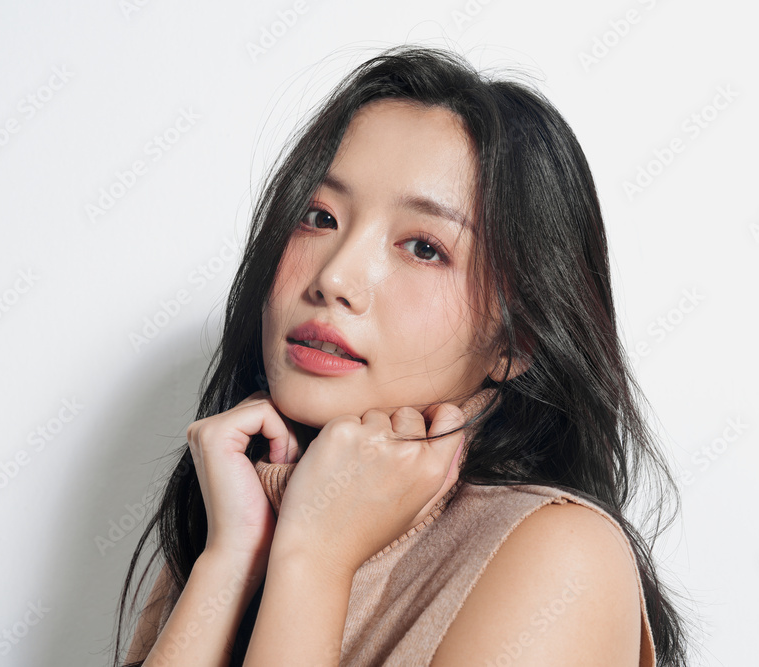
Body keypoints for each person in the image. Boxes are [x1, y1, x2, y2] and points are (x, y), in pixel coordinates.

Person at [111, 44, 690, 666]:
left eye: (423, 248)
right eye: (319, 216)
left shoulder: (562, 555)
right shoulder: (238, 506)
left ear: (515, 341)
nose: (334, 278)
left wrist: (314, 559)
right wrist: (231, 559)